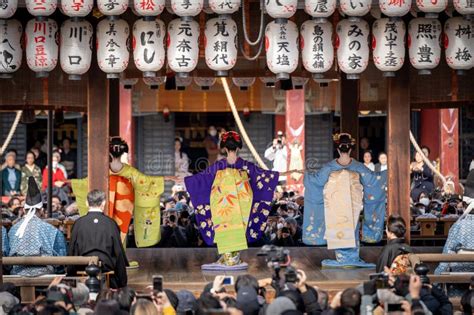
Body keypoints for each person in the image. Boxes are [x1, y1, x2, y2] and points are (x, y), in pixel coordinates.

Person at [185, 131, 280, 270]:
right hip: (242, 206)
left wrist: (183, 180)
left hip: (223, 206)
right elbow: (266, 176)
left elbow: (200, 179)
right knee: (238, 227)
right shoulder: (246, 165)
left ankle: (231, 260)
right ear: (238, 147)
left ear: (223, 148)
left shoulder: (219, 166)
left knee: (224, 227)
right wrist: (285, 173)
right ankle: (227, 257)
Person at [71, 137, 177, 247]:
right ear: (123, 153)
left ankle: (103, 256)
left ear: (109, 153)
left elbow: (85, 183)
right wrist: (167, 178)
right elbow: (147, 182)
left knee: (103, 231)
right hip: (124, 209)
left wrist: (67, 182)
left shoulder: (102, 170)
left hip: (105, 206)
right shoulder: (130, 171)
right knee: (121, 233)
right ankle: (120, 259)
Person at [303, 133, 387, 268]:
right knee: (351, 227)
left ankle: (342, 259)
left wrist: (306, 174)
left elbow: (316, 182)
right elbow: (374, 181)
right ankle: (352, 258)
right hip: (352, 206)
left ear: (337, 150)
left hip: (335, 207)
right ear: (350, 149)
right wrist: (386, 174)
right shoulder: (358, 167)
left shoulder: (329, 167)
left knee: (338, 227)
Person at [68, 189, 128, 289]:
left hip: (83, 265)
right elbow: (118, 252)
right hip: (105, 266)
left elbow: (72, 249)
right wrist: (122, 281)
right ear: (103, 203)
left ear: (87, 203)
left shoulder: (78, 223)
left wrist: (70, 274)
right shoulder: (111, 223)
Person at [8, 177, 67, 276]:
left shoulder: (13, 230)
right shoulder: (51, 230)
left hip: (17, 274)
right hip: (45, 275)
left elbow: (7, 259)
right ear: (41, 211)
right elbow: (61, 258)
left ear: (24, 210)